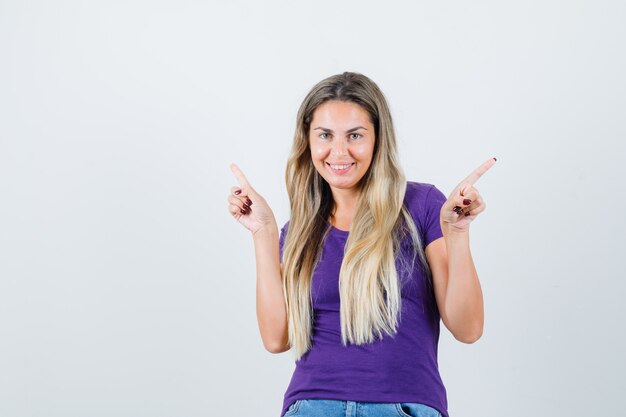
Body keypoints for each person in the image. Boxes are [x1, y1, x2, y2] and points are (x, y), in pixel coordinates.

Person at [227, 71, 496, 417]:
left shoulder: (423, 206)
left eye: (355, 135)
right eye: (325, 135)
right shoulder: (298, 231)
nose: (339, 151)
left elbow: (468, 328)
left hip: (404, 406)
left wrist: (457, 234)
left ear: (377, 140)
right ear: (307, 141)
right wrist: (263, 232)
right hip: (312, 406)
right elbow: (277, 339)